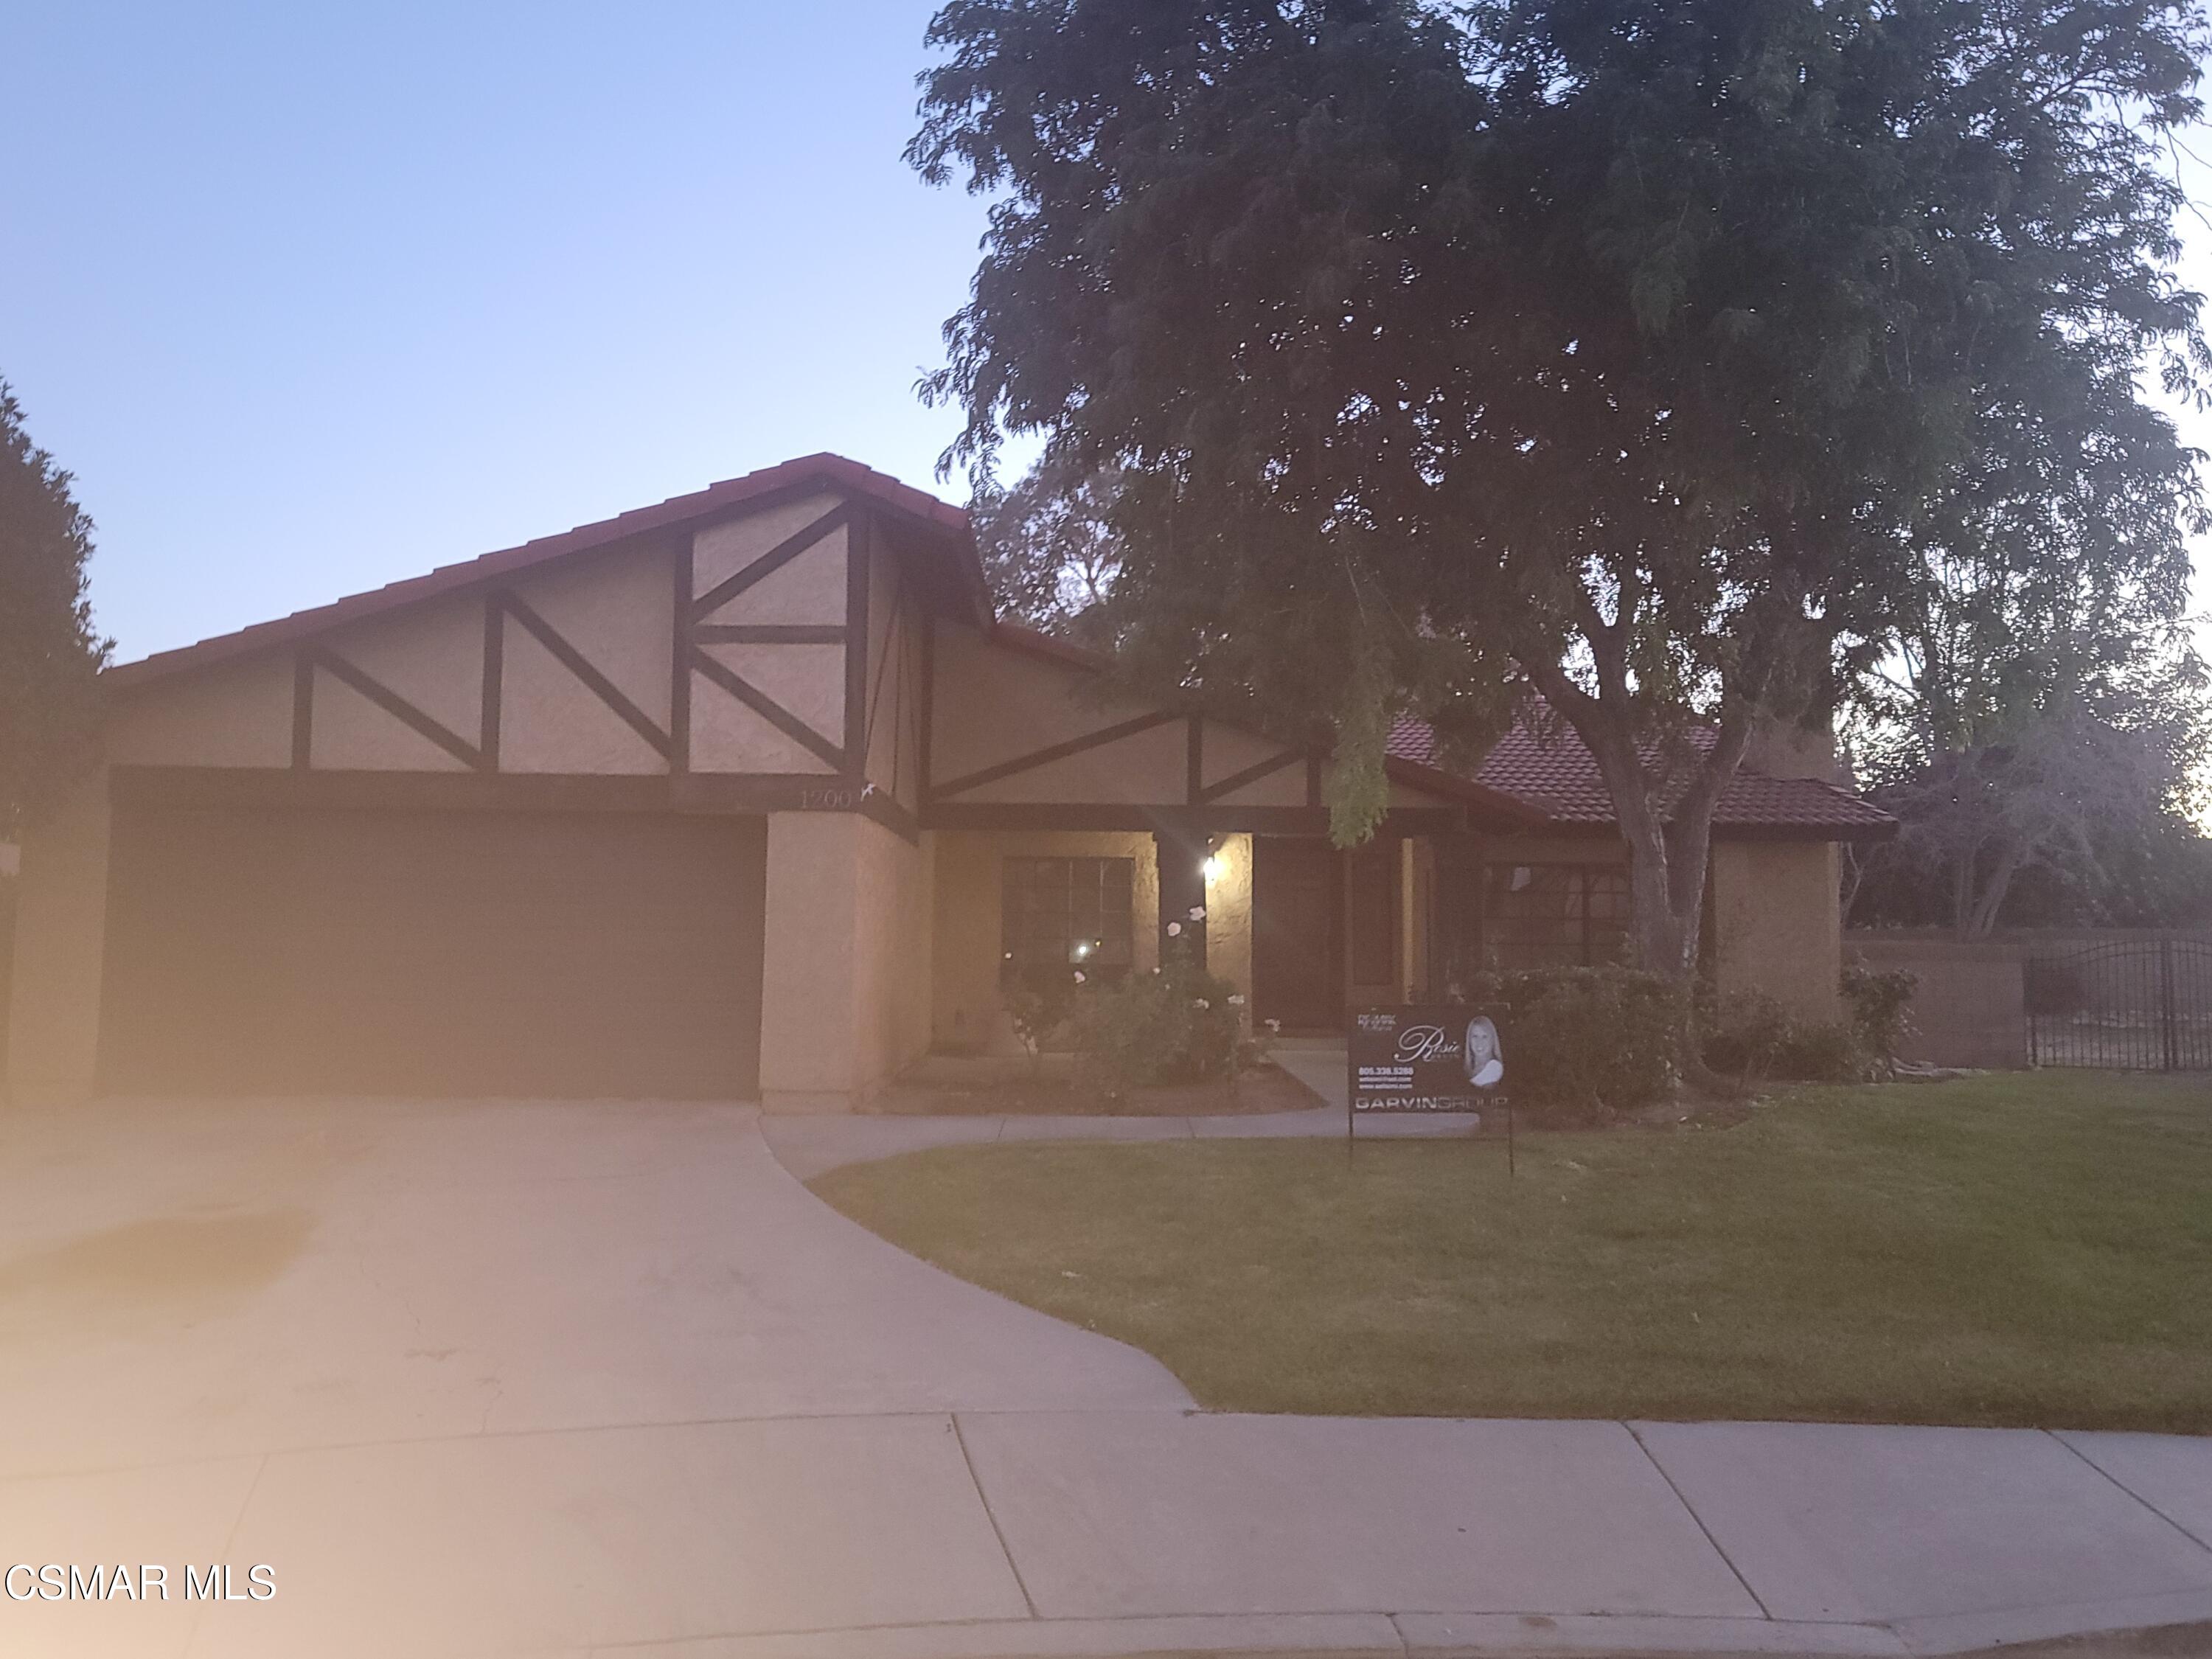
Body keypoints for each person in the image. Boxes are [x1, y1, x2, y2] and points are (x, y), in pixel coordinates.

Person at [1463, 1015, 1504, 1089]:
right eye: (1475, 1036)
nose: (1479, 1042)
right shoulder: (1467, 1069)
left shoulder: (1494, 1069)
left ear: (1492, 1040)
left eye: (1484, 1037)